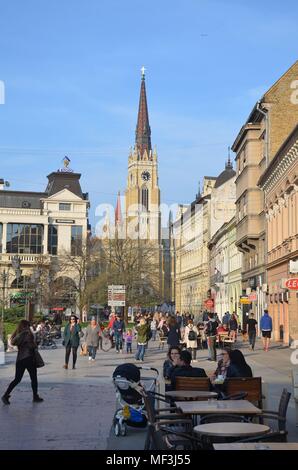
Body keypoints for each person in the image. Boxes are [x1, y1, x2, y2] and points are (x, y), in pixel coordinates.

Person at [2, 320, 43, 404]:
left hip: (20, 359)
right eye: (29, 325)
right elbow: (31, 346)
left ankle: (5, 395)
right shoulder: (28, 333)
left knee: (17, 379)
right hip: (29, 358)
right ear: (26, 326)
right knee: (33, 378)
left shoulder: (18, 334)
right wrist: (36, 343)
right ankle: (35, 396)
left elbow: (13, 343)